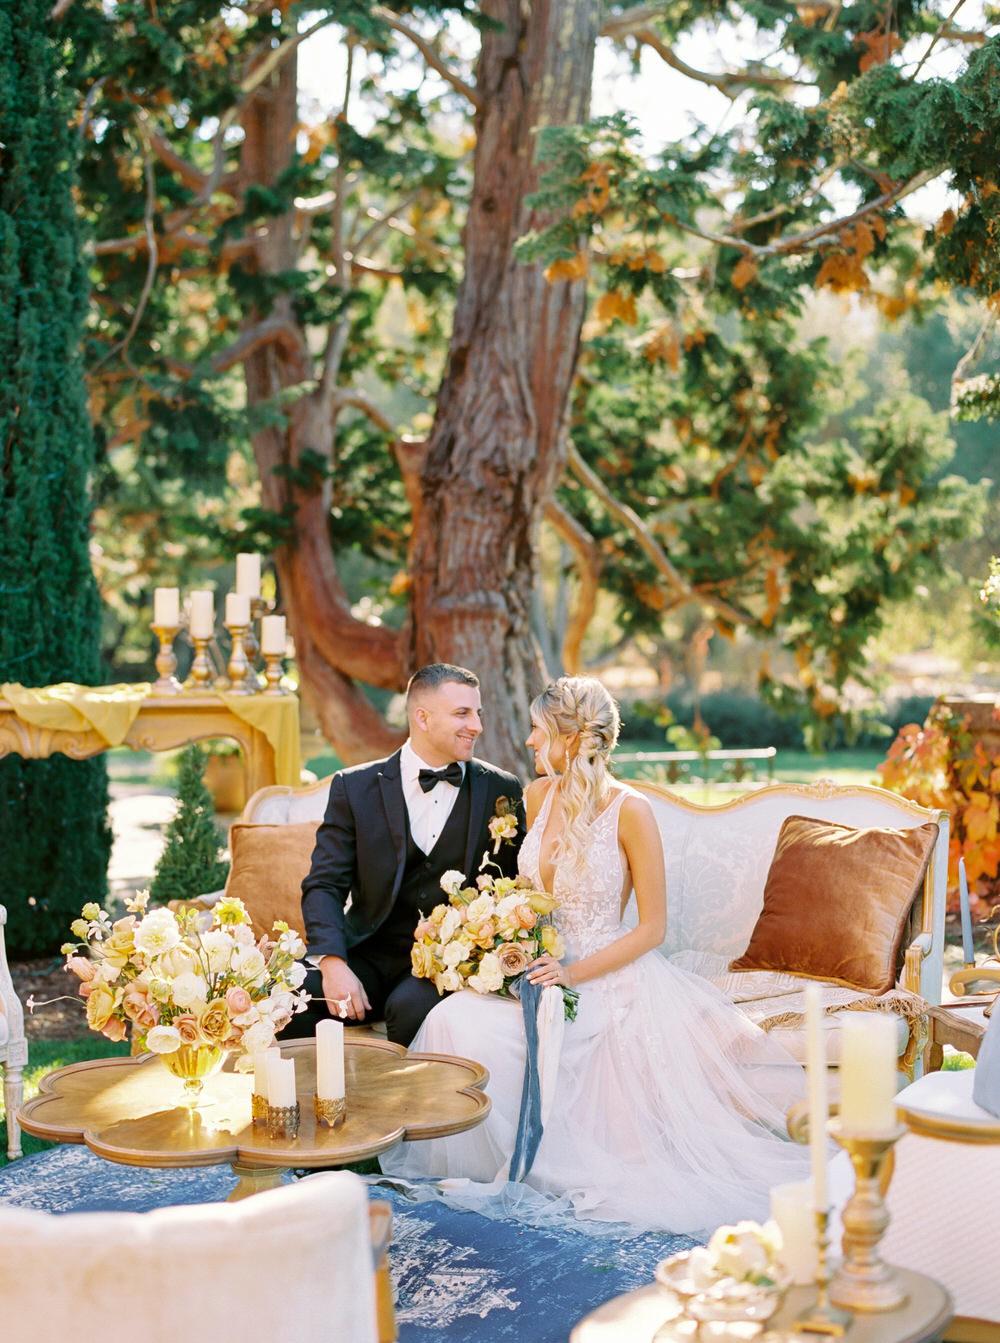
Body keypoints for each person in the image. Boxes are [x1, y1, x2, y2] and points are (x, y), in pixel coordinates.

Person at [380, 675, 810, 1234]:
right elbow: (532, 898)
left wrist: (571, 973)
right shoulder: (536, 797)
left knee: (556, 1042)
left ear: (569, 736)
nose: (530, 743)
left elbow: (652, 928)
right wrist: (499, 942)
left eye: (538, 731)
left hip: (608, 975)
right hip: (540, 968)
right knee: (451, 1017)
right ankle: (484, 1161)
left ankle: (545, 1162)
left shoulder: (633, 811)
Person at [285, 663, 525, 1047]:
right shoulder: (355, 787)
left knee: (410, 1011)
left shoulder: (500, 789)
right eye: (462, 713)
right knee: (288, 995)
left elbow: (512, 887)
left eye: (477, 713)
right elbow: (324, 884)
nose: (477, 725)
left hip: (447, 963)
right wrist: (333, 964)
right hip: (368, 952)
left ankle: (411, 1105)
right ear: (423, 718)